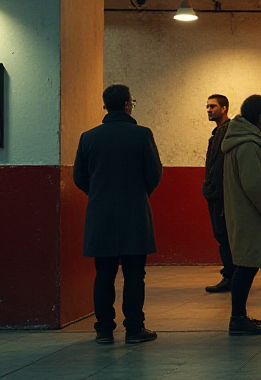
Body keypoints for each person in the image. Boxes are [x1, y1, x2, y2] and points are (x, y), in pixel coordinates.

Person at [74, 84, 163, 345]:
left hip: (101, 215)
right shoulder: (142, 134)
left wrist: (98, 194)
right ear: (127, 105)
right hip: (134, 213)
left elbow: (79, 176)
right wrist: (138, 193)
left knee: (104, 273)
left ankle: (104, 330)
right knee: (135, 273)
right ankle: (134, 328)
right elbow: (154, 174)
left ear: (106, 105)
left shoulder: (88, 137)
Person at [222, 95, 261, 336]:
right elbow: (254, 185)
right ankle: (237, 318)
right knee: (246, 266)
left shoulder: (246, 140)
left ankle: (240, 316)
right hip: (250, 214)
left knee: (247, 265)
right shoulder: (248, 144)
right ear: (259, 117)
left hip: (244, 212)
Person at [202, 94, 236, 293]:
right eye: (207, 106)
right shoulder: (218, 134)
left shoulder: (227, 133)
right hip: (216, 194)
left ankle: (231, 276)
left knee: (225, 236)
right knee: (222, 236)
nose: (208, 109)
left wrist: (219, 193)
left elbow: (223, 167)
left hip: (221, 195)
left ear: (224, 108)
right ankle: (230, 274)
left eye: (212, 106)